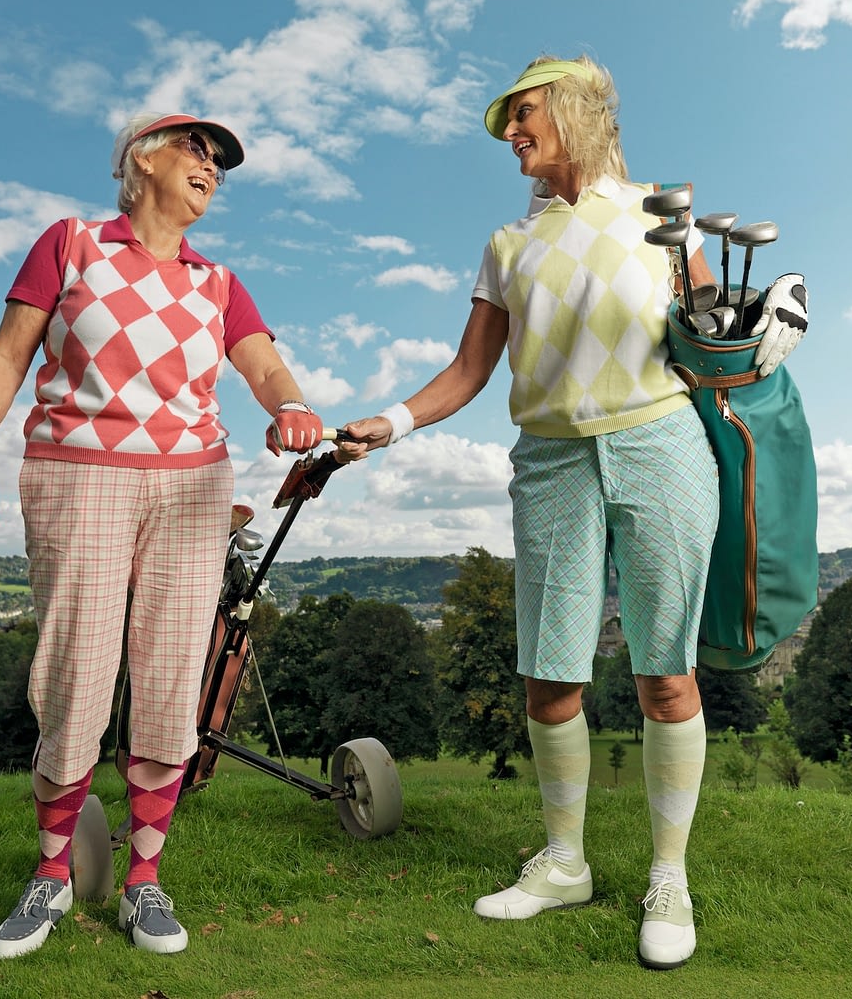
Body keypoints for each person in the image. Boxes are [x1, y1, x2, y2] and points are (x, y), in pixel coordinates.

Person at [340, 54, 799, 970]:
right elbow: (469, 373)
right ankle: (564, 862)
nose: (510, 132)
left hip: (659, 444)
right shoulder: (506, 246)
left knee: (664, 674)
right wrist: (386, 423)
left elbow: (708, 337)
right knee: (550, 674)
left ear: (581, 111)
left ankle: (667, 876)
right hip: (550, 459)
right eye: (506, 120)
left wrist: (755, 331)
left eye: (525, 113)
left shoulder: (661, 214)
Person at [0, 112, 324, 959]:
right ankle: (50, 875)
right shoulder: (72, 242)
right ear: (140, 160)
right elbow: (8, 354)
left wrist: (290, 406)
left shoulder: (217, 281)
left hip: (192, 483)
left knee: (166, 674)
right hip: (79, 474)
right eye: (196, 148)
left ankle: (144, 881)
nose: (212, 166)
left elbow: (260, 360)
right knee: (77, 666)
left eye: (220, 160)